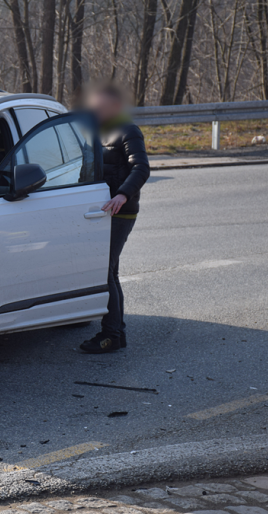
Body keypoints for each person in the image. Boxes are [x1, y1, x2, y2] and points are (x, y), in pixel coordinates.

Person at [80, 84, 150, 353]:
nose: (95, 110)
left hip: (121, 211)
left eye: (101, 106)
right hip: (102, 211)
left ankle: (111, 335)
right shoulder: (96, 132)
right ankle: (116, 333)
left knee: (104, 270)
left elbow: (141, 167)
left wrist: (122, 195)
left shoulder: (128, 130)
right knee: (110, 271)